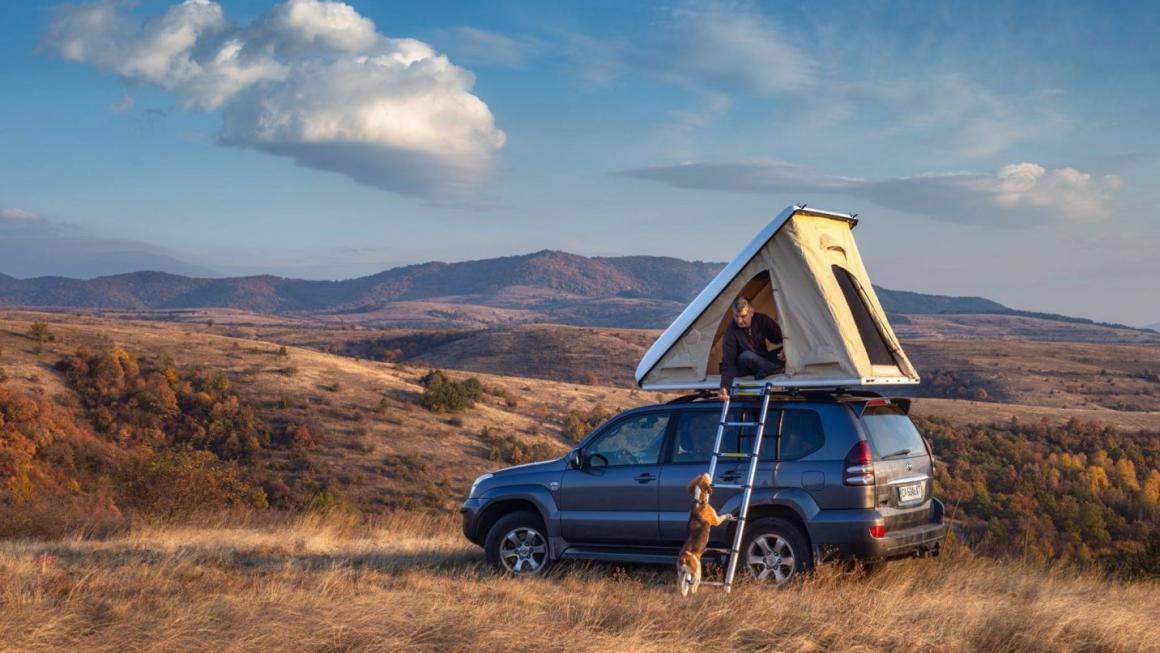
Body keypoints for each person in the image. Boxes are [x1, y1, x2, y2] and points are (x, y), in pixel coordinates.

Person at [717, 296, 784, 399]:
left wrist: (785, 350)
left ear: (752, 313)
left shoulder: (762, 320)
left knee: (788, 352)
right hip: (743, 365)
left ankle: (768, 370)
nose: (739, 321)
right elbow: (728, 361)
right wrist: (725, 387)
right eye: (736, 316)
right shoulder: (731, 330)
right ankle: (774, 369)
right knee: (746, 355)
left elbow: (779, 338)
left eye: (743, 316)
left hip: (762, 359)